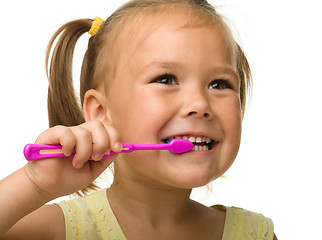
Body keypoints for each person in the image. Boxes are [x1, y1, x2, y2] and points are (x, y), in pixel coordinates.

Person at [0, 0, 277, 239]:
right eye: (166, 79)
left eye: (219, 84)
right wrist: (35, 184)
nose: (200, 104)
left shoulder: (255, 234)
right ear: (100, 112)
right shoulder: (57, 230)